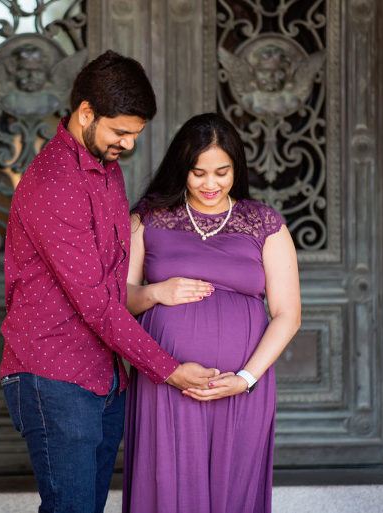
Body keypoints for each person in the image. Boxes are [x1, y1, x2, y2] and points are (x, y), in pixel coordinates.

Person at [0, 51, 223, 513]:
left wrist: (157, 293)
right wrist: (169, 369)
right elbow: (98, 304)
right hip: (53, 376)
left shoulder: (108, 171)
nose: (128, 144)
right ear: (86, 113)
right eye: (120, 132)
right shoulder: (53, 183)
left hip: (103, 379)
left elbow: (115, 278)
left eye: (135, 135)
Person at [122, 113, 301, 513]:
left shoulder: (264, 223)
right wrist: (156, 292)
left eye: (221, 172)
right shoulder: (147, 218)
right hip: (166, 382)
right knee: (167, 489)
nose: (210, 184)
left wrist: (246, 379)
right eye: (198, 172)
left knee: (233, 490)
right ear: (181, 169)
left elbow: (288, 313)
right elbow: (121, 303)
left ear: (235, 169)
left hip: (240, 387)